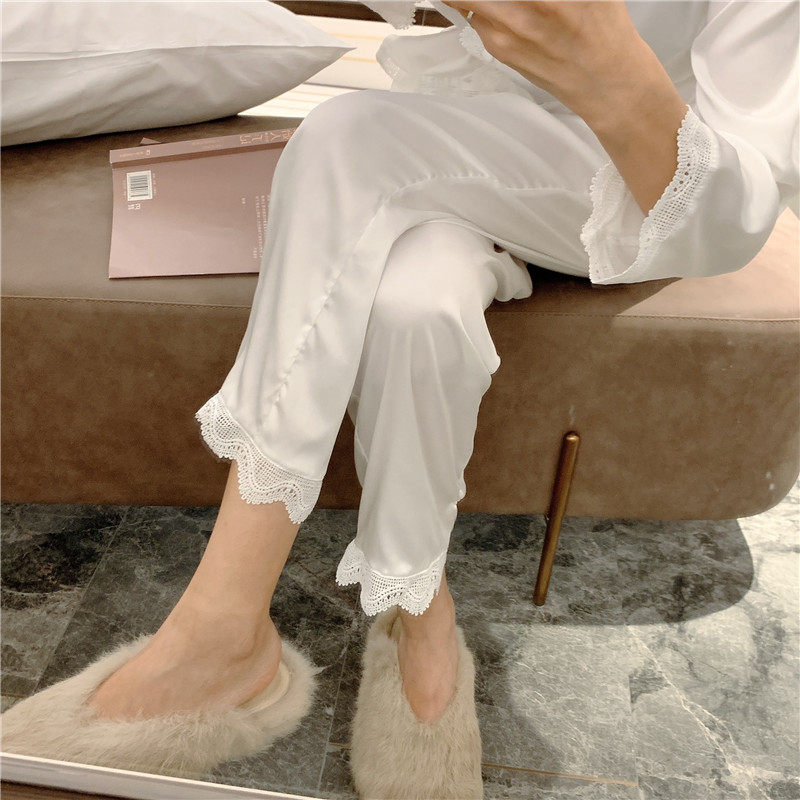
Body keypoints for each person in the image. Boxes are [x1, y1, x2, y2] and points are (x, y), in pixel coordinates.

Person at [3, 1, 797, 797]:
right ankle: (422, 615)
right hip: (451, 133)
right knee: (417, 306)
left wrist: (617, 78)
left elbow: (738, 215)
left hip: (631, 176)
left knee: (345, 137)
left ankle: (222, 627)